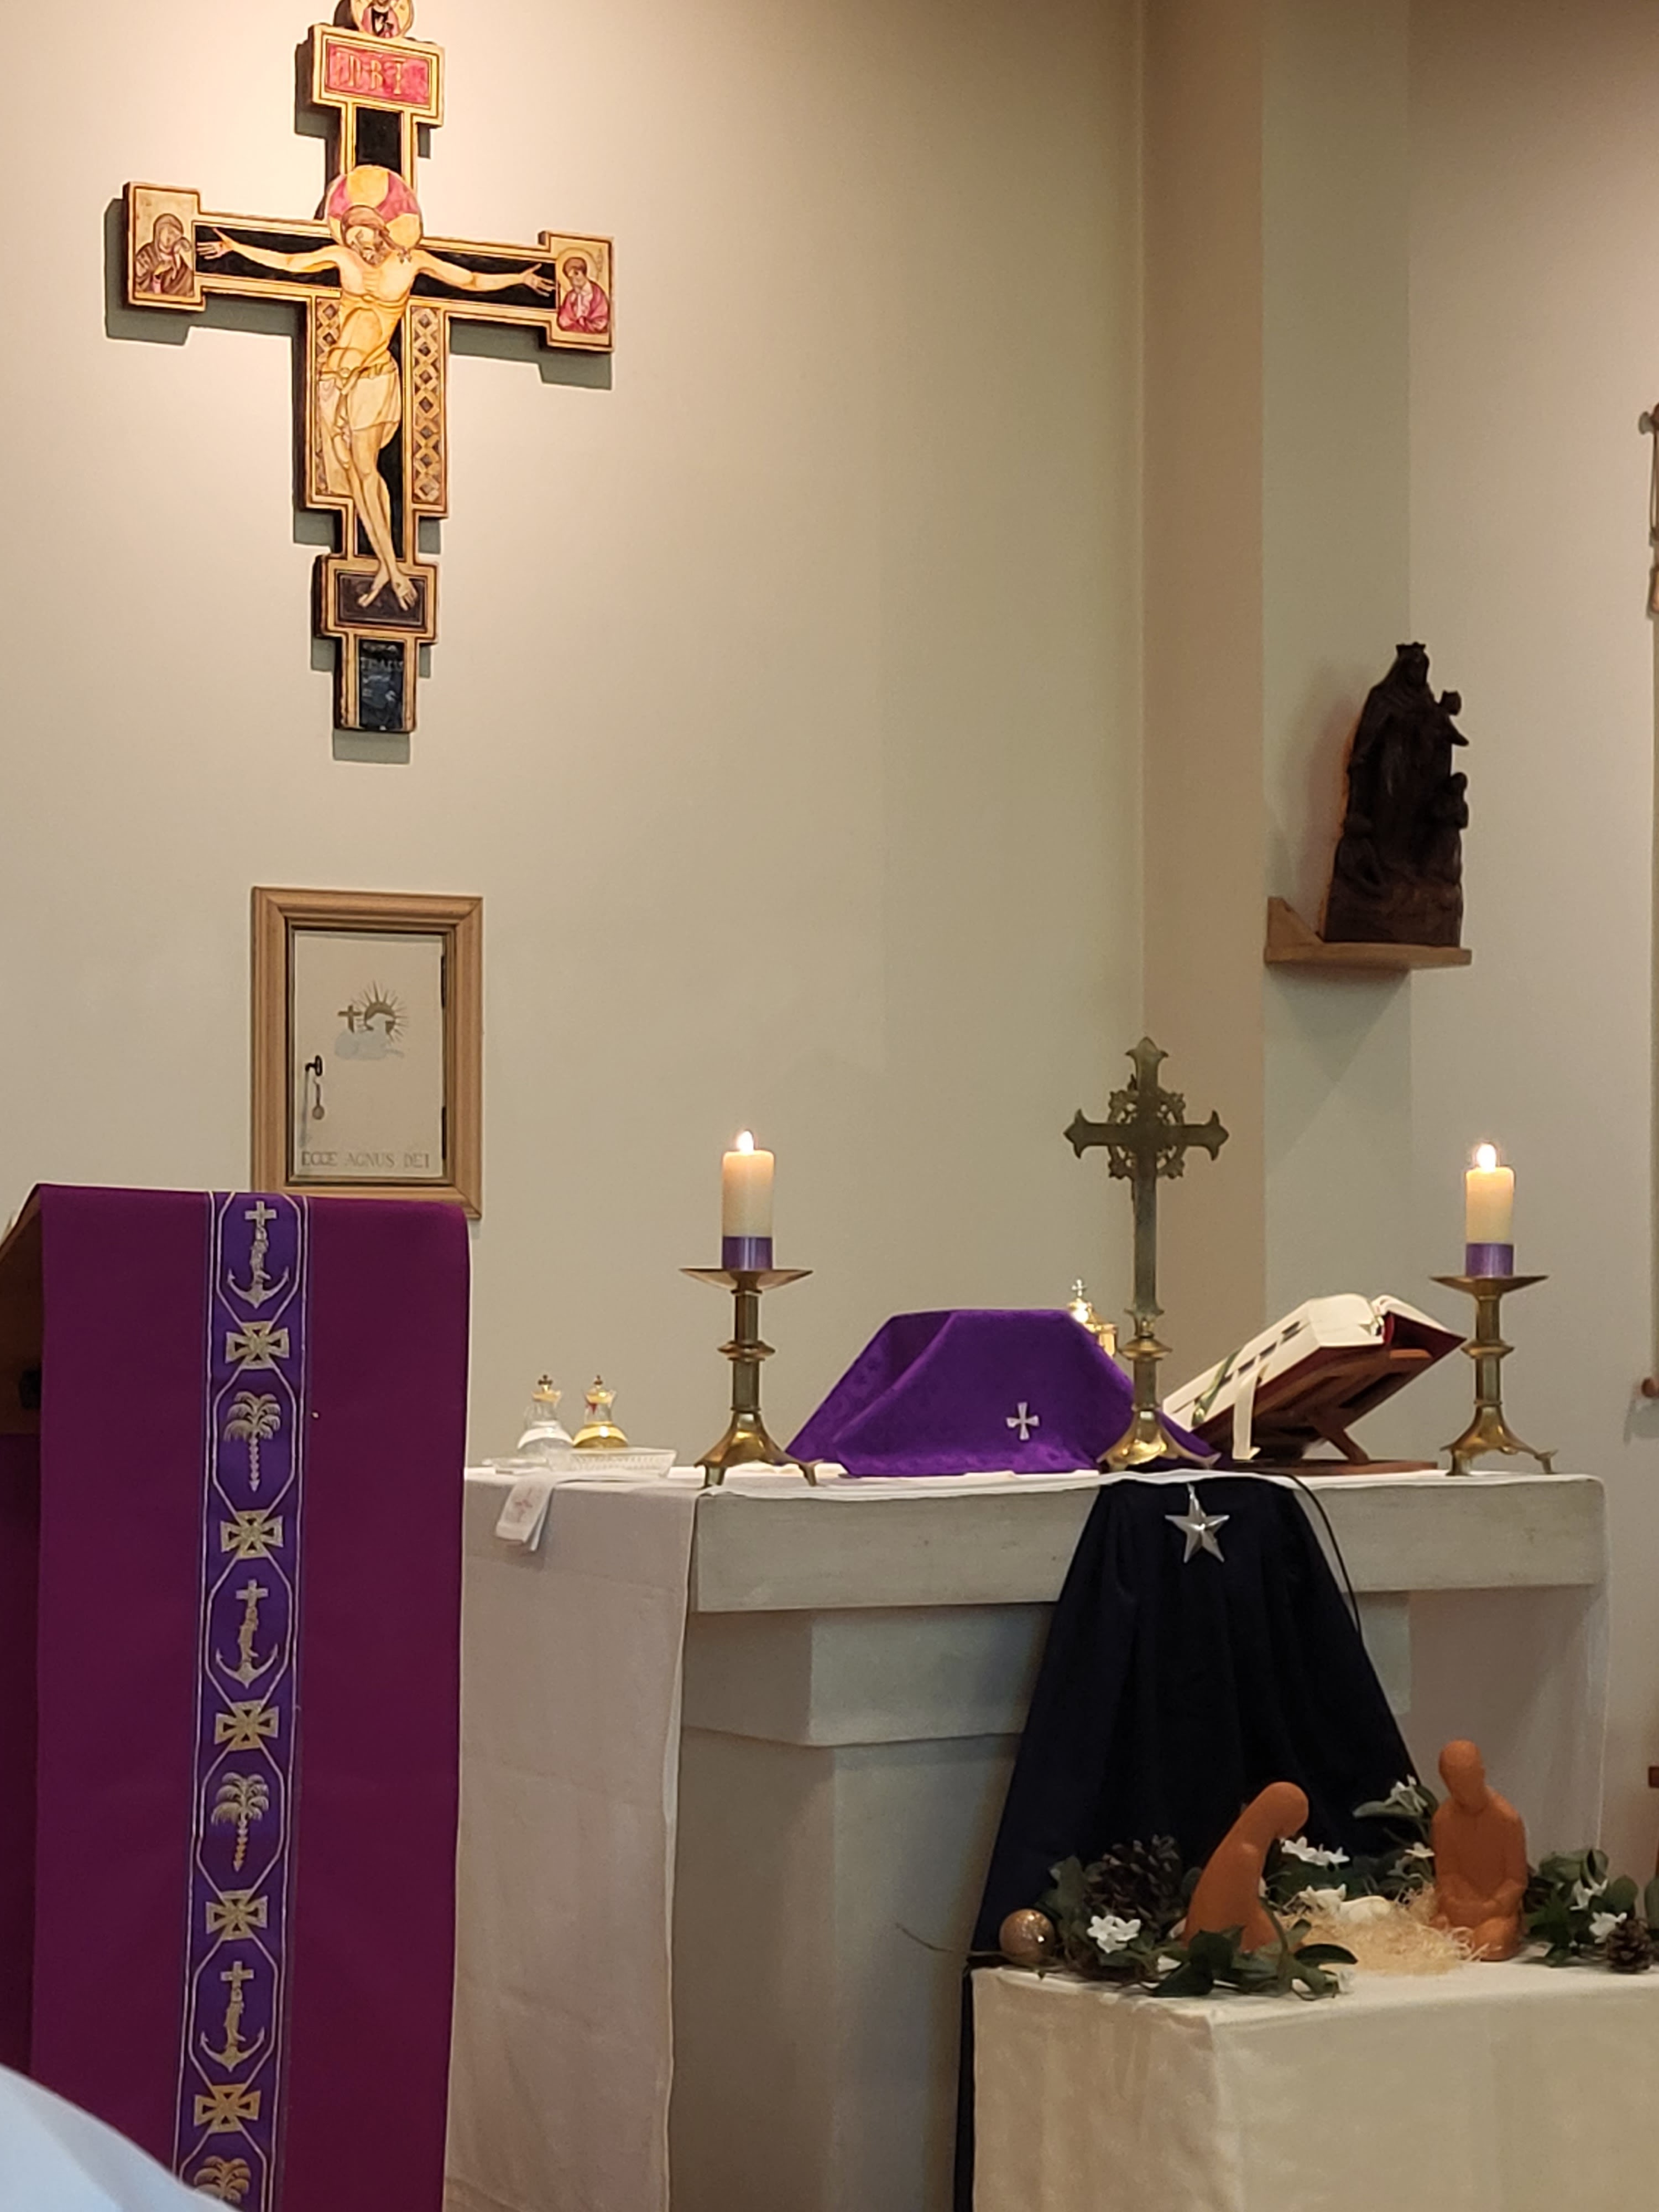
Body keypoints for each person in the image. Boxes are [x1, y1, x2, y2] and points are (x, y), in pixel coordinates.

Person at [202, 205, 552, 611]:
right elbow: (289, 262)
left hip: (373, 377)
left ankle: (393, 567)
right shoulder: (340, 257)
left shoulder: (411, 263)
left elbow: (470, 279)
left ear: (379, 230)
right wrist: (237, 247)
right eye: (350, 236)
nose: (356, 243)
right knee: (353, 474)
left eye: (361, 234)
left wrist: (520, 278)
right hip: (334, 381)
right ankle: (387, 565)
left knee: (367, 470)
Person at [1431, 1738, 1527, 1960]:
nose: (1463, 1791)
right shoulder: (1443, 1820)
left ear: (1481, 1774)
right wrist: (1453, 1902)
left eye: (1468, 1780)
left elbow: (1516, 1880)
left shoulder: (1506, 1819)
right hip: (1460, 1908)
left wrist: (1491, 1907)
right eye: (1455, 1784)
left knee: (1491, 1944)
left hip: (1497, 1911)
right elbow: (1448, 1873)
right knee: (1435, 1936)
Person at [133, 212, 195, 299]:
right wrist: (157, 274)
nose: (171, 237)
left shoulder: (177, 258)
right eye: (169, 232)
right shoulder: (147, 254)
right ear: (159, 231)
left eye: (176, 235)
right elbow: (138, 281)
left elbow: (187, 282)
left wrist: (177, 257)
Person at [556, 254, 610, 337]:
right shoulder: (570, 296)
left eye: (576, 274)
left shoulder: (597, 293)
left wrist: (583, 323)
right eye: (570, 277)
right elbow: (564, 320)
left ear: (584, 273)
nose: (574, 279)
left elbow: (602, 319)